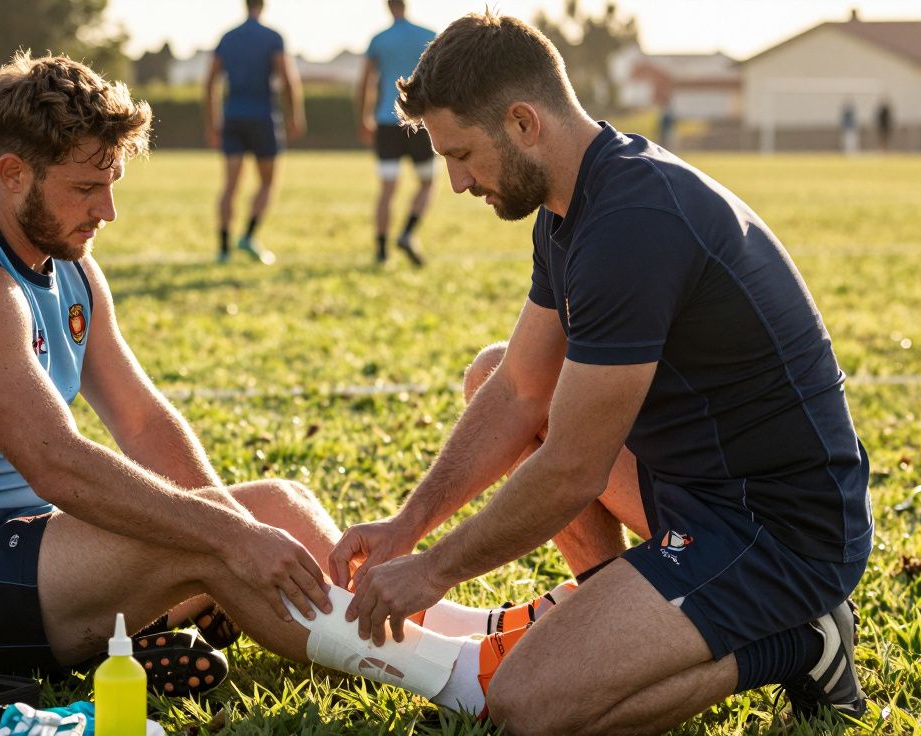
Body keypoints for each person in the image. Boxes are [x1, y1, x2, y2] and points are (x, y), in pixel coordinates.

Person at [0, 51, 551, 709]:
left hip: (26, 550)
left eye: (111, 186)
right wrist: (228, 536)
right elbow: (56, 463)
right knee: (211, 541)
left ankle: (480, 627)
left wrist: (239, 522)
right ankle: (465, 677)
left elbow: (143, 421)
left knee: (277, 503)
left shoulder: (70, 266)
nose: (107, 212)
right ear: (12, 174)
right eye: (87, 188)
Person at [327, 13, 872, 734]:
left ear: (523, 122)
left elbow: (573, 470)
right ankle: (620, 605)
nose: (456, 183)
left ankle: (804, 644)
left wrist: (433, 570)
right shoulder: (568, 207)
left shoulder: (632, 220)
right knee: (494, 371)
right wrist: (407, 525)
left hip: (778, 529)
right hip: (693, 489)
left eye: (461, 154)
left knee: (528, 706)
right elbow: (522, 389)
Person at [204, 0, 304, 264]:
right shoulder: (273, 37)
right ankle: (248, 236)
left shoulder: (227, 37)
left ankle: (224, 248)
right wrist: (295, 115)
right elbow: (287, 79)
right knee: (268, 182)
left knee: (230, 186)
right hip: (263, 119)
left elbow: (209, 82)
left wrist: (212, 122)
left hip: (233, 118)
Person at [357, 0, 437, 267]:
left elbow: (366, 83)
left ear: (389, 7)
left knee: (387, 189)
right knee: (426, 183)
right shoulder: (428, 36)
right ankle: (406, 233)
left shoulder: (379, 40)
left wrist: (363, 118)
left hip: (386, 121)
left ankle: (381, 251)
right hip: (419, 122)